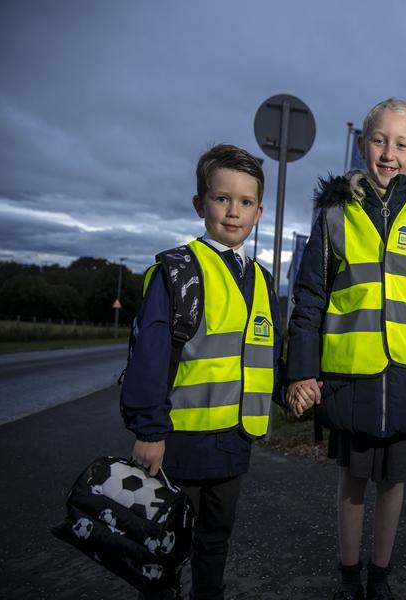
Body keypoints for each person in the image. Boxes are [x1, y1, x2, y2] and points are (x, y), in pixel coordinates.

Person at [287, 98, 406, 600]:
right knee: (353, 481)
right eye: (379, 140)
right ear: (363, 144)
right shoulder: (334, 212)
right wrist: (301, 372)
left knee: (394, 481)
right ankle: (349, 576)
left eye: (401, 144)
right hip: (352, 373)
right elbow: (309, 297)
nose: (389, 153)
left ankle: (380, 575)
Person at [120, 143, 284, 600]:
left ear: (259, 212)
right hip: (179, 445)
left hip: (233, 442)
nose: (233, 212)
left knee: (215, 545)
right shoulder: (178, 272)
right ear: (200, 204)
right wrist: (149, 431)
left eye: (245, 202)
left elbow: (263, 355)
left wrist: (291, 388)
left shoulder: (263, 280)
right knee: (163, 550)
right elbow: (148, 359)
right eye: (221, 198)